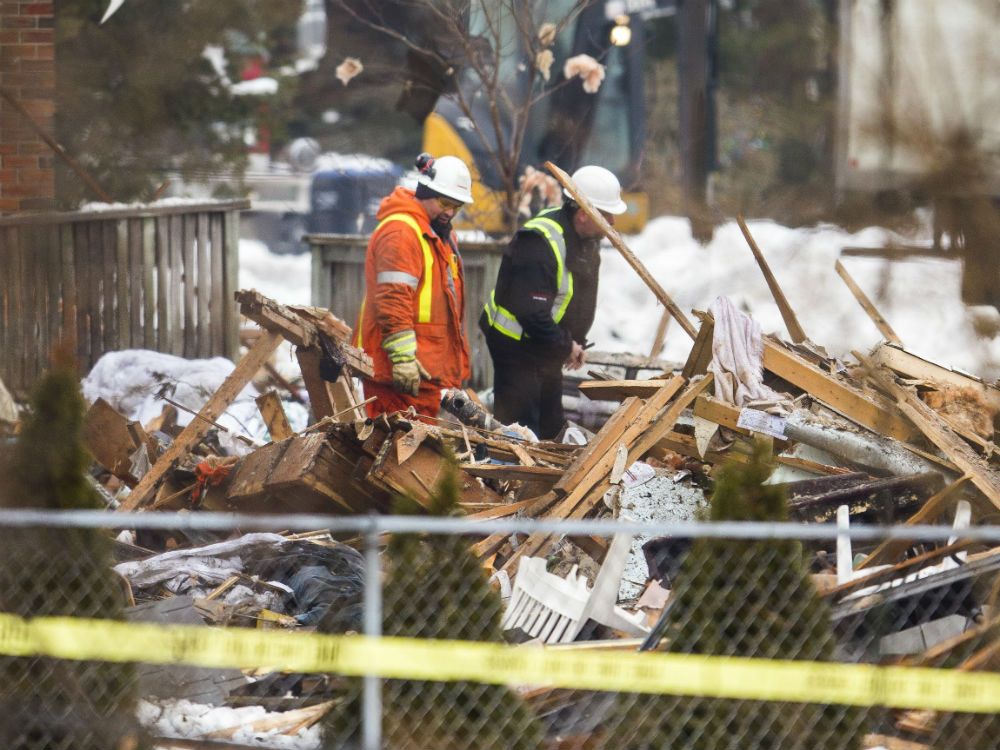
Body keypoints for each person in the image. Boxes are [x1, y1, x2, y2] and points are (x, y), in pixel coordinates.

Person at [479, 165, 627, 439]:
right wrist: (564, 344)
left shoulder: (587, 241)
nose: (613, 224)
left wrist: (576, 341)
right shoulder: (538, 242)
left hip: (545, 345)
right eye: (607, 215)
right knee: (520, 430)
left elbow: (579, 298)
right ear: (584, 214)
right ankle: (508, 476)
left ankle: (542, 473)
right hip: (516, 349)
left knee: (550, 427)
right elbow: (531, 312)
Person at [355, 153, 473, 418]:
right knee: (396, 453)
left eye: (458, 206)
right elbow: (393, 300)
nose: (451, 212)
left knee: (419, 455)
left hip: (425, 374)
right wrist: (403, 359)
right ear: (425, 192)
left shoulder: (439, 234)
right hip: (400, 375)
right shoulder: (401, 233)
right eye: (445, 203)